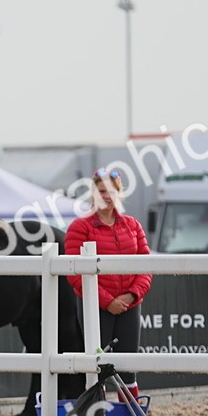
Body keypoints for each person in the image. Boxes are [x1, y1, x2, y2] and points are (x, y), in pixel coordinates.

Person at [64, 168, 153, 400]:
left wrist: (132, 295)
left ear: (119, 194)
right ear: (93, 193)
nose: (106, 196)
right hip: (96, 307)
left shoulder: (133, 225)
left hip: (129, 305)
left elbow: (146, 264)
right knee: (97, 369)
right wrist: (107, 301)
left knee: (128, 369)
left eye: (111, 191)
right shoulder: (79, 227)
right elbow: (75, 274)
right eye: (101, 191)